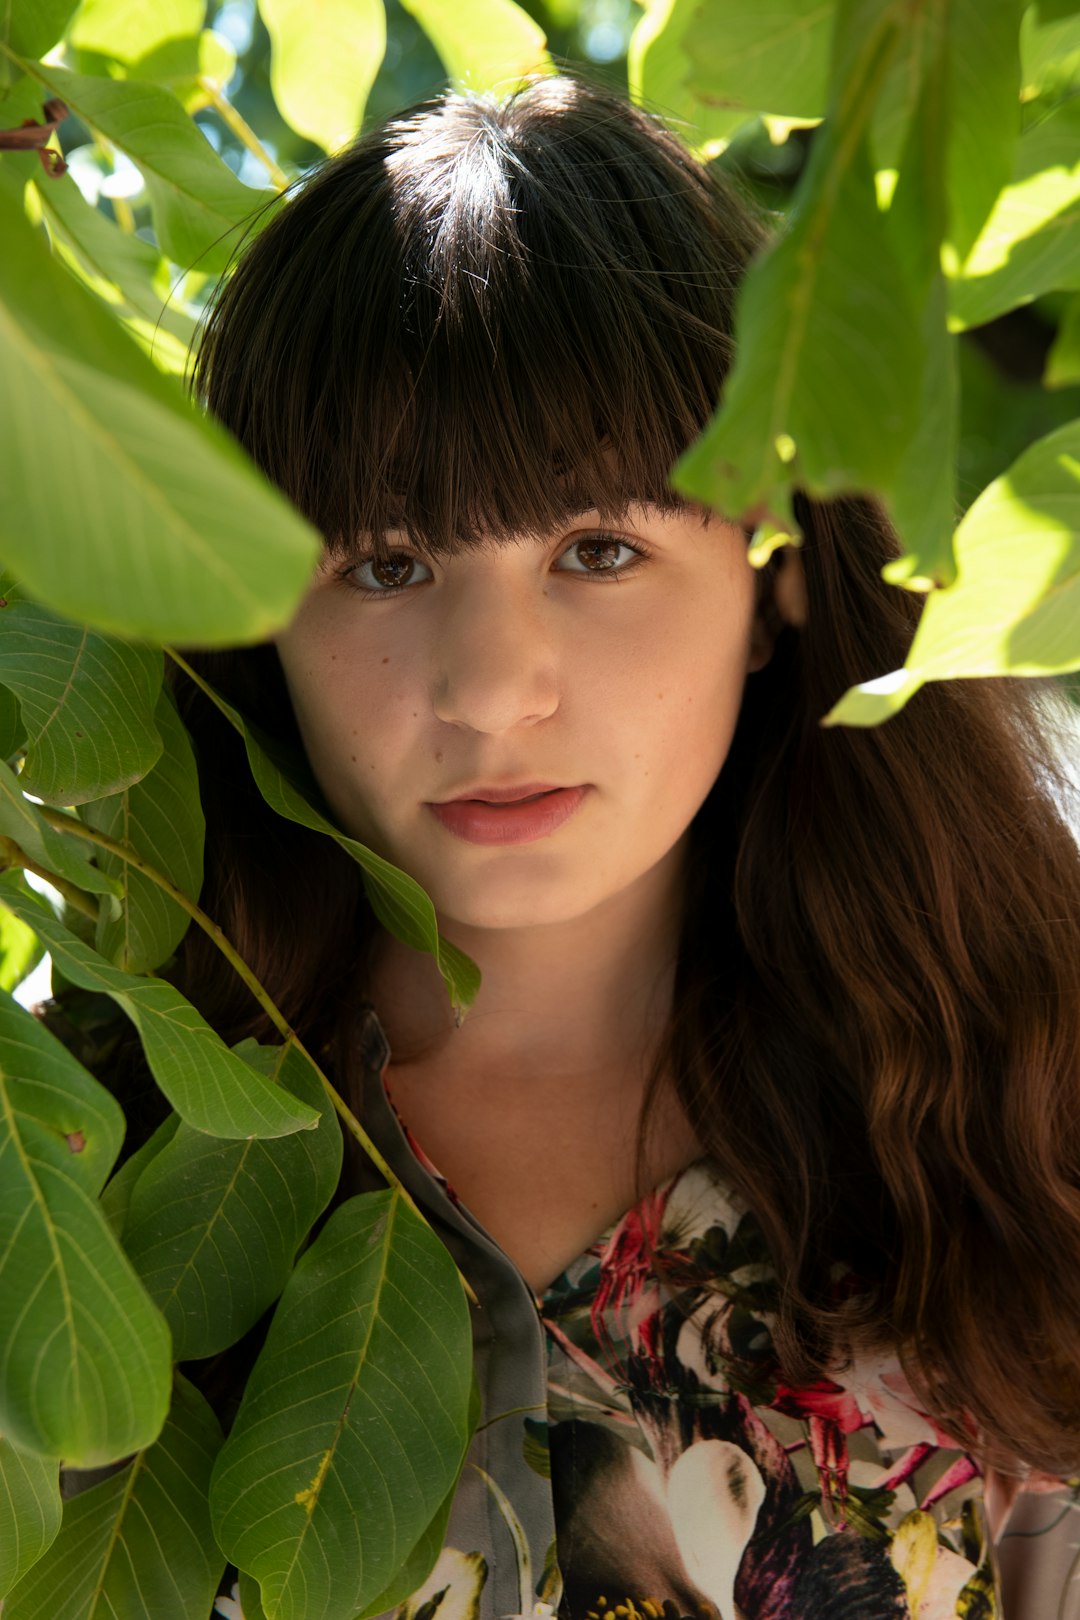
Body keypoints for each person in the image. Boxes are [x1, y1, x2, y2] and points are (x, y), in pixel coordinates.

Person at [179, 74, 1080, 1620]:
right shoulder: (88, 1159)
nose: (489, 689)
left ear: (778, 577)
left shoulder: (1024, 1148)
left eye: (599, 549)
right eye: (386, 565)